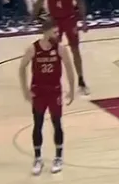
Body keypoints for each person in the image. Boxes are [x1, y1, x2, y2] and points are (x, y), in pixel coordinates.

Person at [18, 19, 76, 175]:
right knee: (38, 124)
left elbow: (70, 69)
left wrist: (72, 90)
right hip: (38, 92)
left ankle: (58, 157)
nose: (58, 35)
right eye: (55, 32)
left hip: (54, 91)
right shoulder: (33, 48)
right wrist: (25, 90)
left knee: (57, 123)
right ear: (46, 32)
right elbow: (22, 68)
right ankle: (38, 158)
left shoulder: (60, 49)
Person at [33, 0, 90, 96]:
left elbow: (80, 2)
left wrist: (84, 21)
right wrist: (32, 18)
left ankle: (81, 80)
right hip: (55, 21)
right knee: (51, 51)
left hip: (70, 20)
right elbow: (38, 3)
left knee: (75, 49)